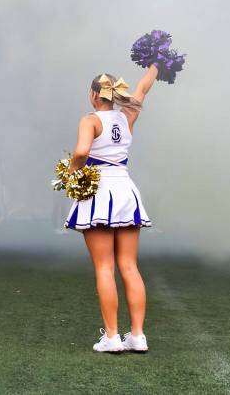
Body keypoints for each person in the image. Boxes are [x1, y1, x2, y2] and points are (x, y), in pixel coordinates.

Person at [64, 66, 158, 353]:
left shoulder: (90, 120)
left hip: (100, 192)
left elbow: (81, 152)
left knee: (105, 267)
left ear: (94, 95)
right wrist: (155, 65)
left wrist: (71, 173)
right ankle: (138, 336)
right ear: (114, 94)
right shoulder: (126, 116)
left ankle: (113, 337)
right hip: (126, 192)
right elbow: (142, 88)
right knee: (129, 266)